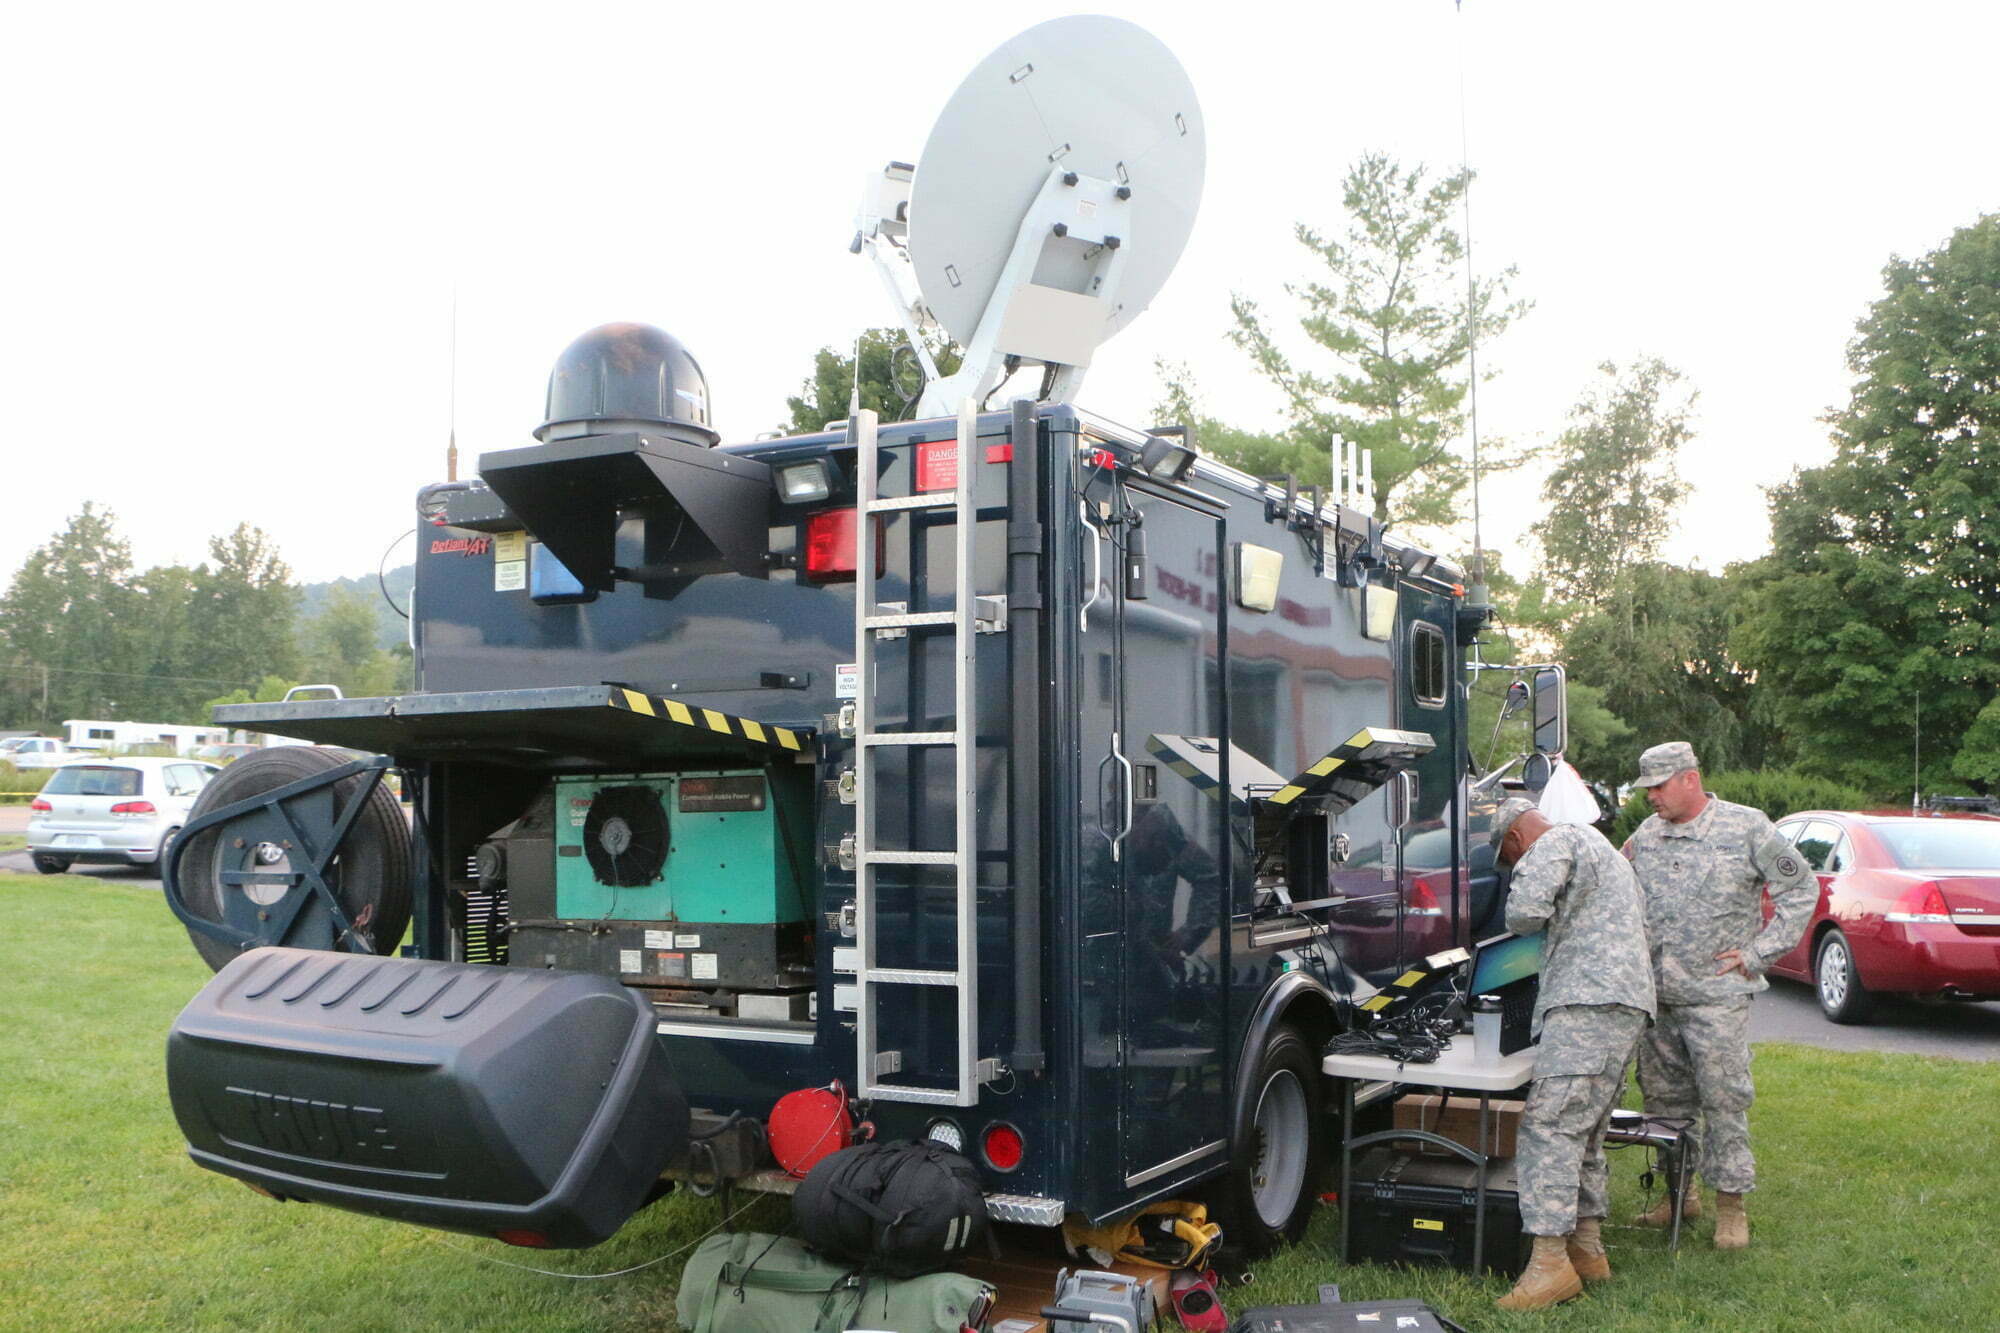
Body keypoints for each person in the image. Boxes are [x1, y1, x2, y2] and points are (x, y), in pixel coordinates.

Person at [1621, 741, 1818, 1249]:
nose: (1651, 799)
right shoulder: (1647, 834)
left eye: (1659, 787)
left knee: (1724, 1098)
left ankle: (1732, 1205)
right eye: (1647, 789)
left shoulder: (1747, 826)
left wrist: (1758, 954)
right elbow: (1619, 890)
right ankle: (1677, 1195)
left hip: (1717, 997)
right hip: (1659, 996)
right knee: (1664, 1102)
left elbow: (1802, 889)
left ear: (1690, 778)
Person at [1487, 797, 1656, 1312]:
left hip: (1586, 1001)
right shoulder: (1601, 846)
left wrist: (1520, 882)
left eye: (1509, 862)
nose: (1514, 867)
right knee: (1585, 1129)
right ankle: (1586, 1249)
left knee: (1550, 1125)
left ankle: (1548, 1265)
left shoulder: (1552, 841)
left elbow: (1522, 915)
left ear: (1514, 840)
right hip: (1624, 1003)